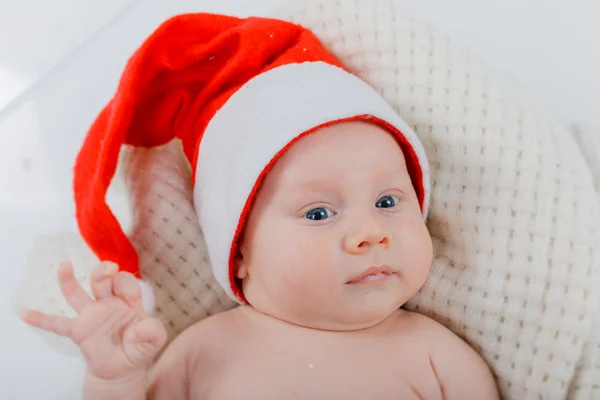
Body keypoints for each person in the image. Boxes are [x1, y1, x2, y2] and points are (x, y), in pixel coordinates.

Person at [21, 13, 500, 399]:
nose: (371, 232)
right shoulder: (201, 355)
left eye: (388, 200)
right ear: (240, 252)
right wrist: (113, 380)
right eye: (318, 213)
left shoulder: (439, 359)